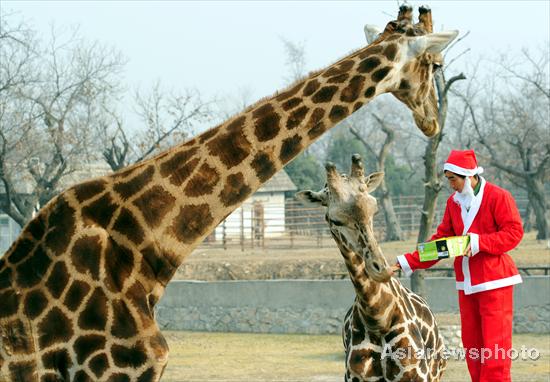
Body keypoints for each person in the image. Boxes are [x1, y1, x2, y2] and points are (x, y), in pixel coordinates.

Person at [392, 149, 523, 382]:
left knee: (495, 351)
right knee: (473, 349)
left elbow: (514, 233)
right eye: (448, 179)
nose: (450, 184)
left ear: (467, 175)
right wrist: (403, 262)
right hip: (467, 285)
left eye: (453, 179)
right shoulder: (453, 204)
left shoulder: (498, 196)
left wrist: (478, 242)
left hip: (496, 283)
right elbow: (440, 244)